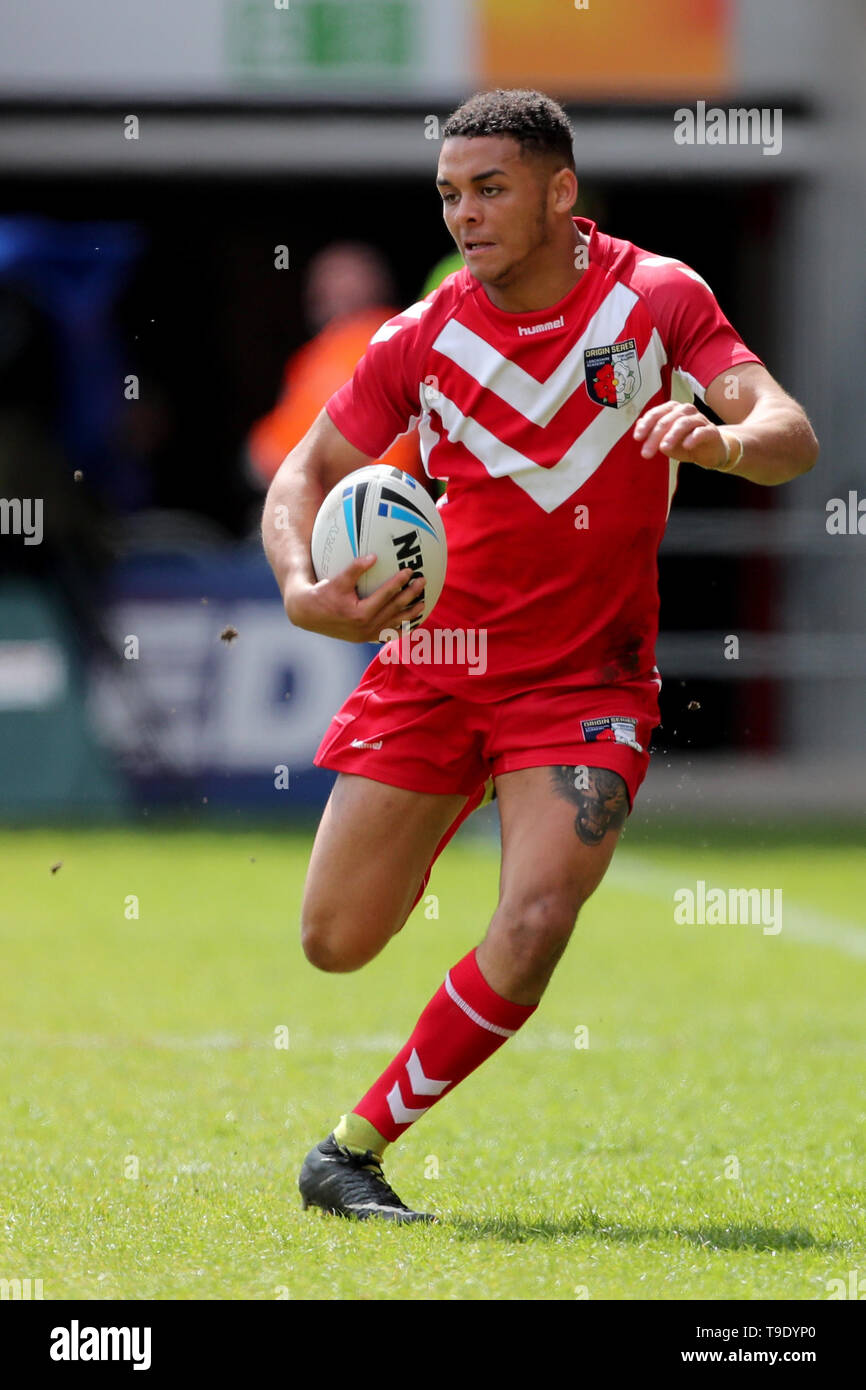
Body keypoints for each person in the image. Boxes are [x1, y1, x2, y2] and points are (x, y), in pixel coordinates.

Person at [261, 89, 818, 1222]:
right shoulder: (416, 337)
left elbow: (787, 435)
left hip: (582, 682)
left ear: (560, 192)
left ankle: (350, 1151)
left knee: (534, 918)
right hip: (432, 661)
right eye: (450, 195)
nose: (465, 215)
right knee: (333, 941)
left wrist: (716, 437)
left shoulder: (656, 299)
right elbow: (302, 476)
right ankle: (427, 820)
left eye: (491, 188)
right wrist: (297, 589)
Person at [246, 241, 422, 488]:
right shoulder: (313, 355)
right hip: (391, 501)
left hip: (353, 504)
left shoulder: (378, 340)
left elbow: (267, 455)